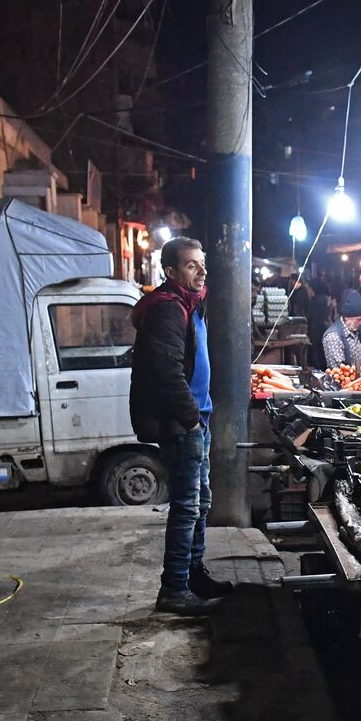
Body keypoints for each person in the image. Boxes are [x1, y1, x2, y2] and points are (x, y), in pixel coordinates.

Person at [129, 237, 233, 616]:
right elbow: (167, 372)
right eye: (191, 265)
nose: (201, 270)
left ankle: (193, 575)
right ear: (171, 272)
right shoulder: (168, 310)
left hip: (197, 421)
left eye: (202, 263)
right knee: (187, 506)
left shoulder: (191, 304)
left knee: (200, 503)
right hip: (183, 424)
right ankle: (174, 587)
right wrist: (190, 420)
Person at [322, 293, 361, 371]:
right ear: (347, 318)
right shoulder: (333, 336)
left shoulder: (355, 331)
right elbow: (340, 370)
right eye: (359, 319)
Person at [306, 278, 334, 369]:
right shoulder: (328, 299)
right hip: (327, 327)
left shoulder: (315, 301)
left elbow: (311, 316)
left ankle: (319, 372)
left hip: (316, 328)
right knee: (324, 352)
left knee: (315, 352)